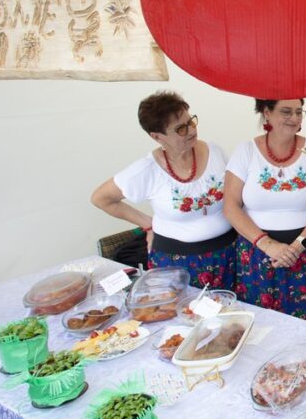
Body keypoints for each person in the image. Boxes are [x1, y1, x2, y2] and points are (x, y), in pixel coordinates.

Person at [91, 91, 236, 289]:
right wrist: (148, 224)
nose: (192, 130)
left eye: (191, 121)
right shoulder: (148, 170)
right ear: (157, 137)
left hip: (228, 256)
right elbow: (101, 198)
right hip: (179, 264)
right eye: (181, 129)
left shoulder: (214, 151)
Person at [223, 99, 306, 321]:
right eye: (285, 112)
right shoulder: (246, 151)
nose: (294, 118)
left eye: (298, 112)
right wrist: (268, 245)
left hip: (305, 251)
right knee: (260, 323)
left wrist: (298, 246)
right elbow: (230, 206)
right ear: (267, 113)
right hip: (258, 253)